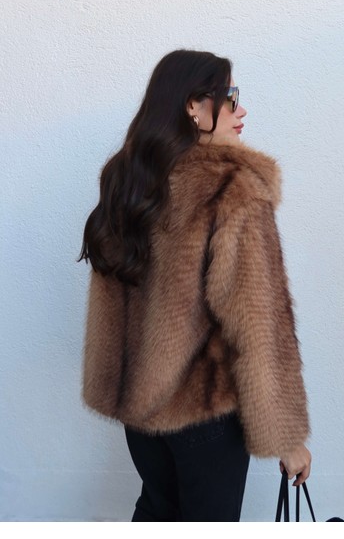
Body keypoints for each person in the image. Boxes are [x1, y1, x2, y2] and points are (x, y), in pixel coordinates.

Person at [78, 49, 311, 522]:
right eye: (231, 96)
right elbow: (258, 322)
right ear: (193, 106)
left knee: (157, 512)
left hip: (143, 414)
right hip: (204, 414)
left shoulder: (129, 182)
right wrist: (286, 437)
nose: (241, 110)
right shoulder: (233, 189)